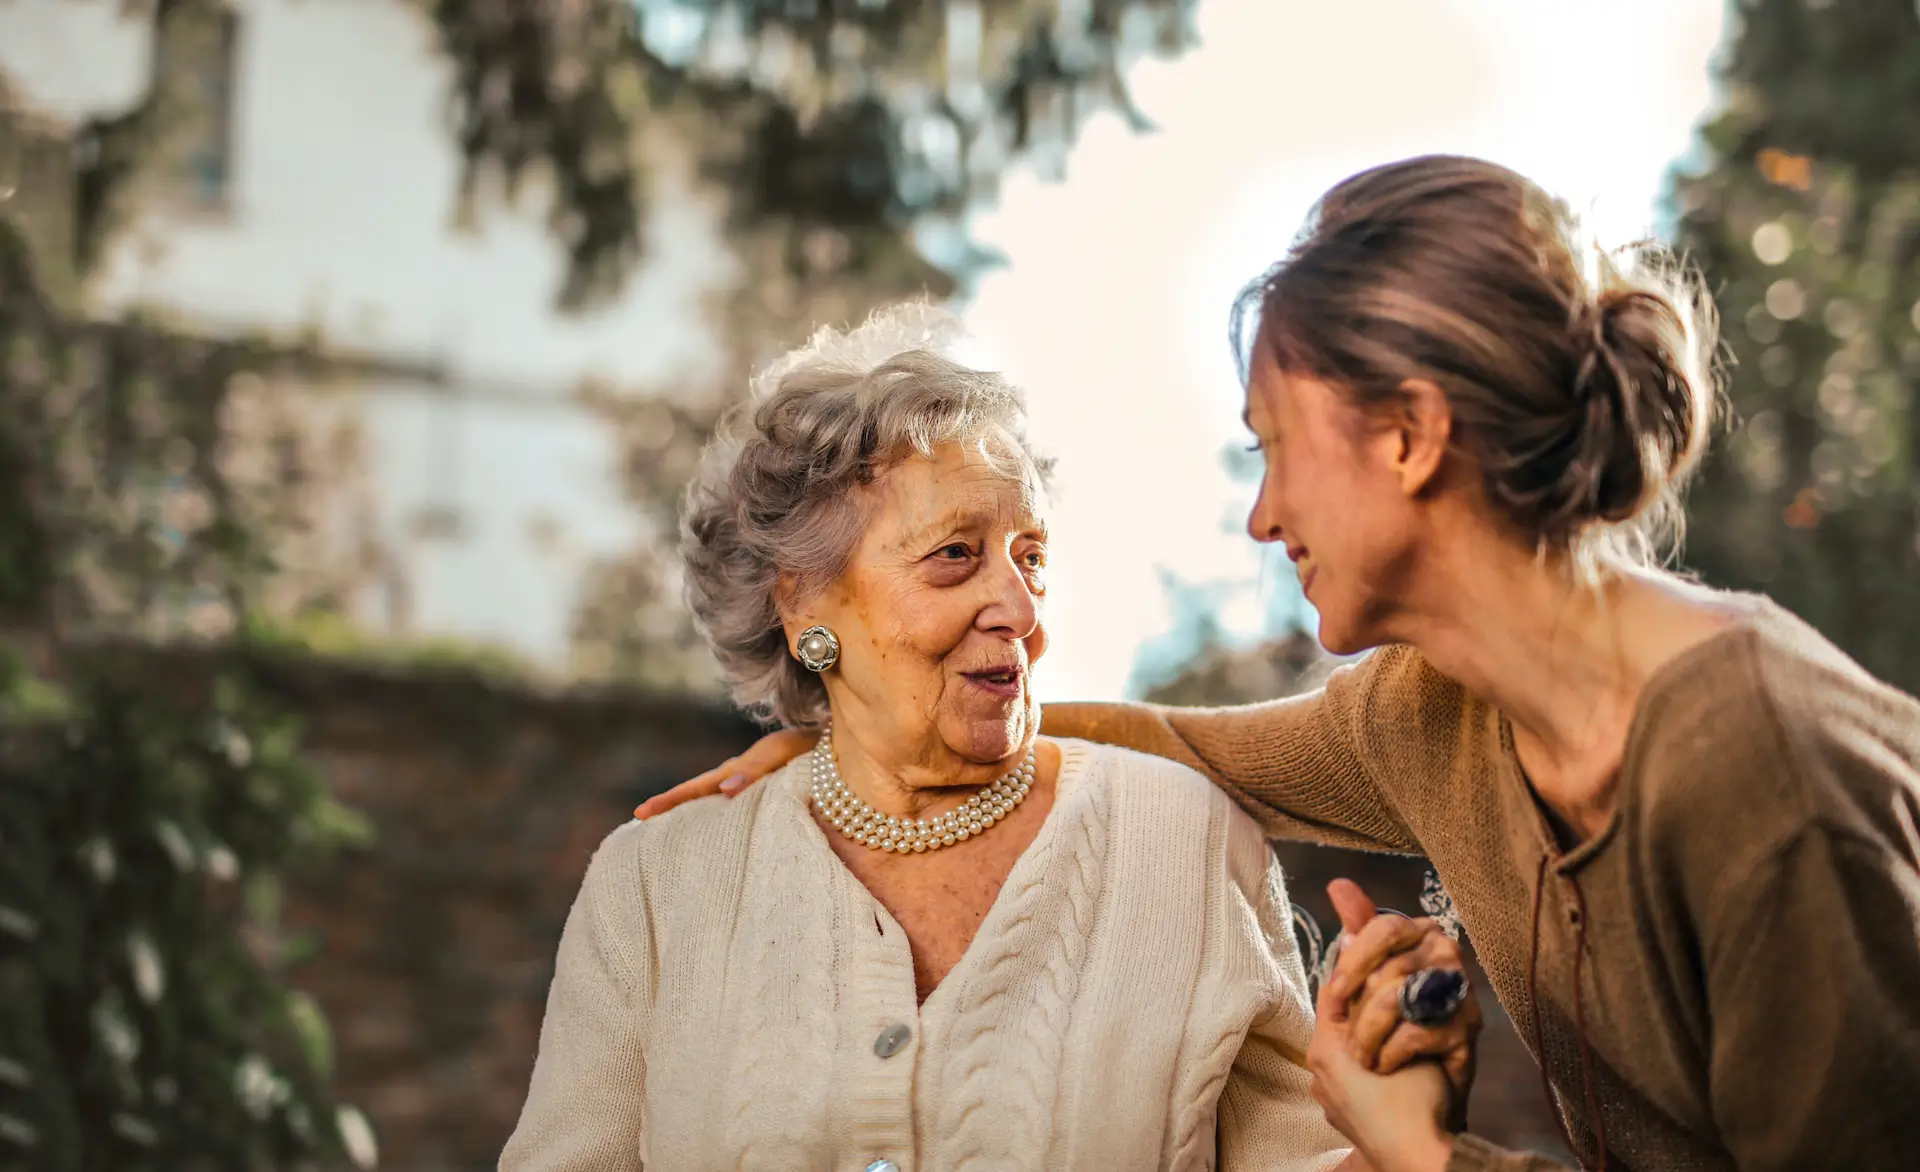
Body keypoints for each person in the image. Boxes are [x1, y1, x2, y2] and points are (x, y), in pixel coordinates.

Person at [637, 156, 1920, 1172]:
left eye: (1273, 445)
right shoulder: (1435, 713)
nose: (1261, 514)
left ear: (1411, 436)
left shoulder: (1765, 776)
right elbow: (1176, 745)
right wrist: (860, 731)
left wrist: (1425, 1150)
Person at [502, 304, 1361, 1171]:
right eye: (956, 554)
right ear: (802, 604)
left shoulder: (1187, 841)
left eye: (1031, 557)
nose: (1023, 612)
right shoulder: (654, 885)